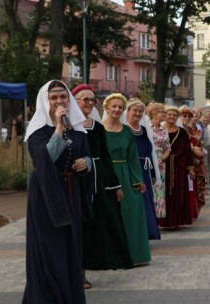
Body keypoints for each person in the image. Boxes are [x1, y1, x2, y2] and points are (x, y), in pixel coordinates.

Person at [22, 80, 92, 303]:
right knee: (49, 246)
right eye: (54, 98)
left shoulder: (78, 129)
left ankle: (69, 294)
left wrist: (86, 163)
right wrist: (60, 129)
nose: (59, 101)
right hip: (46, 195)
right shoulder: (38, 131)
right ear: (46, 101)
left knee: (71, 245)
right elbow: (45, 158)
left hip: (71, 192)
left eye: (63, 97)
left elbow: (89, 155)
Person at [73, 84, 130, 289]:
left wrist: (116, 185)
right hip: (74, 180)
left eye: (91, 99)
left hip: (97, 182)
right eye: (84, 99)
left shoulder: (96, 127)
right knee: (76, 227)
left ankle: (83, 271)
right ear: (74, 101)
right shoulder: (67, 125)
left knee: (92, 227)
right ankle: (72, 272)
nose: (89, 103)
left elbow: (105, 157)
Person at [102, 93, 151, 266]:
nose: (116, 109)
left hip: (125, 173)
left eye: (119, 107)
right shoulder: (99, 130)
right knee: (109, 217)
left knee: (130, 212)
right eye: (113, 106)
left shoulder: (126, 131)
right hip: (106, 175)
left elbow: (132, 157)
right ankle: (110, 256)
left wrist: (137, 180)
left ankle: (134, 255)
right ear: (107, 108)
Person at [126, 99, 161, 240]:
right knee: (136, 201)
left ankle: (148, 232)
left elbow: (149, 152)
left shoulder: (144, 130)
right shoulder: (124, 129)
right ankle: (136, 234)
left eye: (140, 111)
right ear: (127, 112)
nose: (137, 113)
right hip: (132, 169)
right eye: (134, 110)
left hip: (145, 170)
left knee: (146, 200)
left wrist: (153, 173)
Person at [158, 106, 195, 229]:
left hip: (179, 165)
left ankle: (176, 220)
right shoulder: (159, 130)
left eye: (174, 115)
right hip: (163, 164)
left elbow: (187, 151)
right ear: (166, 116)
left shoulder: (182, 132)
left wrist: (190, 168)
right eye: (169, 114)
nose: (172, 117)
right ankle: (163, 221)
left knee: (177, 192)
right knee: (163, 192)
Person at [147, 102, 171, 218]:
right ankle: (149, 214)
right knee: (148, 187)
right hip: (148, 160)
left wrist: (162, 158)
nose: (165, 114)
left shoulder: (163, 130)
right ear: (154, 113)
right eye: (162, 111)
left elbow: (168, 148)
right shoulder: (146, 126)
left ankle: (159, 215)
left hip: (160, 162)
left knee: (159, 188)